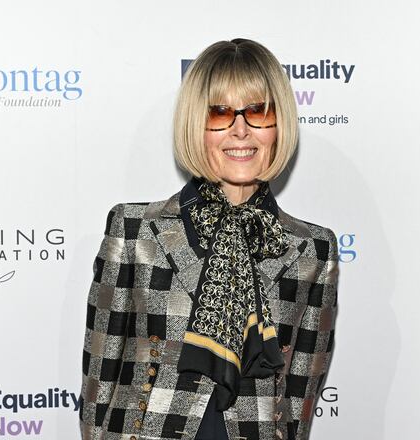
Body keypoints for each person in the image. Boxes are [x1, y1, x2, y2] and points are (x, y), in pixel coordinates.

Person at [78, 38, 339, 440]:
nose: (240, 131)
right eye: (219, 113)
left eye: (258, 111)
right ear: (194, 124)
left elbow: (300, 398)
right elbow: (100, 376)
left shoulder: (313, 250)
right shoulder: (134, 231)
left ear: (279, 124)